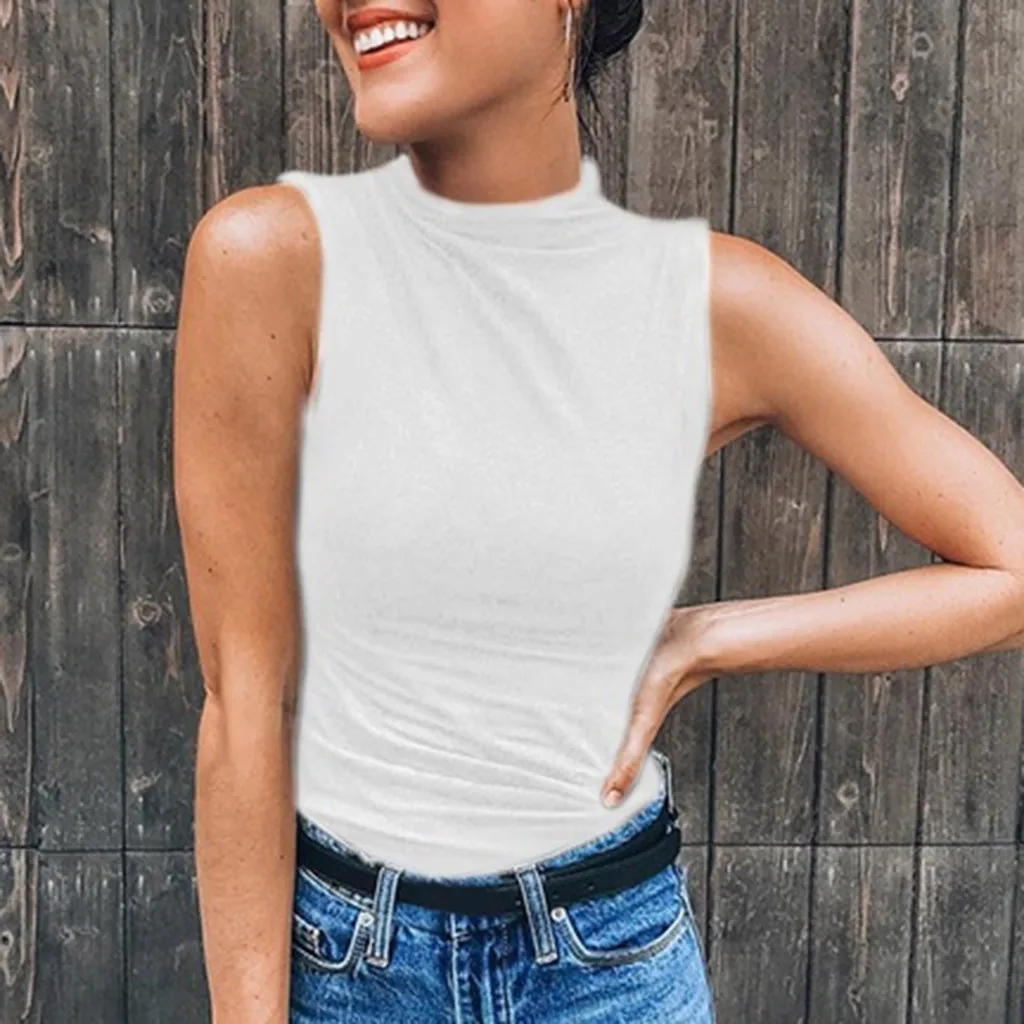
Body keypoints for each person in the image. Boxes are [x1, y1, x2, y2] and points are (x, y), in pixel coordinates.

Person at [172, 1, 1024, 1021]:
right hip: (353, 962)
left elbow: (1010, 567)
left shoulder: (714, 303)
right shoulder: (266, 263)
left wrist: (705, 638)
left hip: (611, 962)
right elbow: (242, 705)